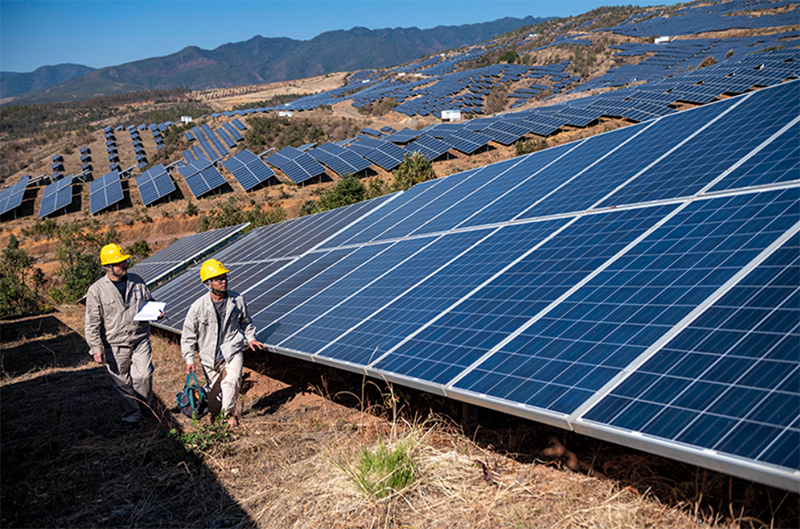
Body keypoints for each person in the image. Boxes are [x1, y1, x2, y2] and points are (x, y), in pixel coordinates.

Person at [181, 259, 265, 428]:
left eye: (224, 277)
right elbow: (188, 336)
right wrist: (189, 359)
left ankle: (229, 415)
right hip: (208, 355)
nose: (223, 281)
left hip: (232, 350)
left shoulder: (237, 300)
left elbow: (246, 323)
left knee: (232, 380)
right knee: (213, 392)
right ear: (207, 283)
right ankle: (215, 415)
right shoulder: (197, 307)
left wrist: (251, 338)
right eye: (218, 278)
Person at [85, 243, 161, 430]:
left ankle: (145, 409)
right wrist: (95, 348)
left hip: (140, 339)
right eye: (119, 263)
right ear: (108, 266)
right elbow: (92, 321)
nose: (124, 265)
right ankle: (132, 418)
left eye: (125, 261)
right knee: (122, 384)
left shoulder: (137, 281)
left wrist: (156, 312)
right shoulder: (97, 290)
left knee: (143, 376)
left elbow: (150, 303)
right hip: (114, 343)